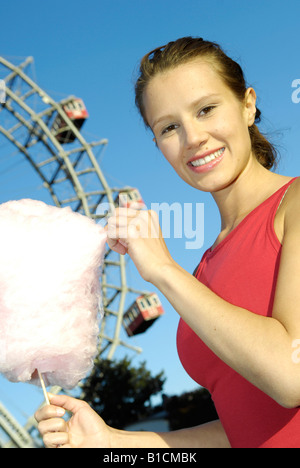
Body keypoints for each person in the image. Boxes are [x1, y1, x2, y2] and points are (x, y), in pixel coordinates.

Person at [35, 37, 300, 448]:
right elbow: (244, 432)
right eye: (169, 127)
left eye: (206, 109)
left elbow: (291, 375)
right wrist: (110, 442)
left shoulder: (295, 205)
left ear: (248, 104)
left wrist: (163, 271)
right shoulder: (205, 269)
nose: (192, 137)